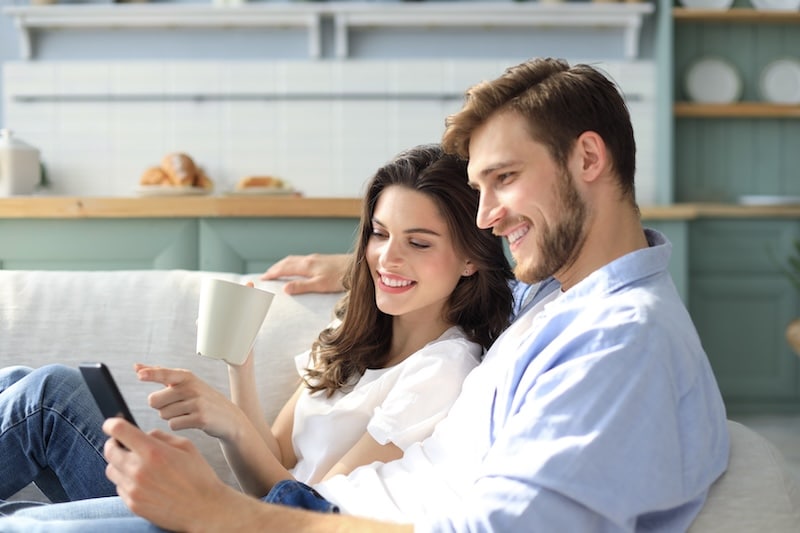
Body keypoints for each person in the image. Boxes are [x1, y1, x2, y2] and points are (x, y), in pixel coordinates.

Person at [0, 57, 729, 532]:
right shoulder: (563, 299)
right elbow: (472, 272)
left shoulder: (619, 342)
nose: (485, 215)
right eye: (477, 191)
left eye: (503, 179)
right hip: (299, 512)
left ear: (589, 158)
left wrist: (227, 513)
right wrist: (361, 266)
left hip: (292, 520)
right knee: (25, 393)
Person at [0, 144, 513, 505]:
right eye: (379, 235)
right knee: (18, 382)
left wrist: (224, 420)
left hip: (247, 523)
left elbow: (307, 509)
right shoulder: (356, 339)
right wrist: (238, 364)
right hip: (239, 515)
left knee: (49, 398)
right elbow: (274, 460)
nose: (387, 258)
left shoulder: (442, 371)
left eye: (418, 243)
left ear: (471, 258)